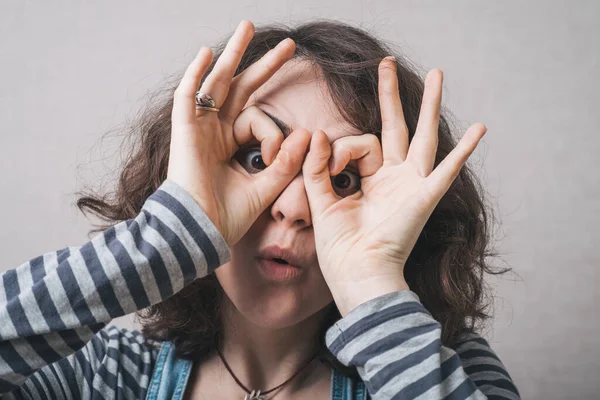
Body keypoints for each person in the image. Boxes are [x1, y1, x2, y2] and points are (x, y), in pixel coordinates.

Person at [0, 19, 521, 400]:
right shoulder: (101, 377)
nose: (295, 208)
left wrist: (372, 283)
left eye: (342, 179)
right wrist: (167, 236)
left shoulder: (447, 370)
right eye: (255, 157)